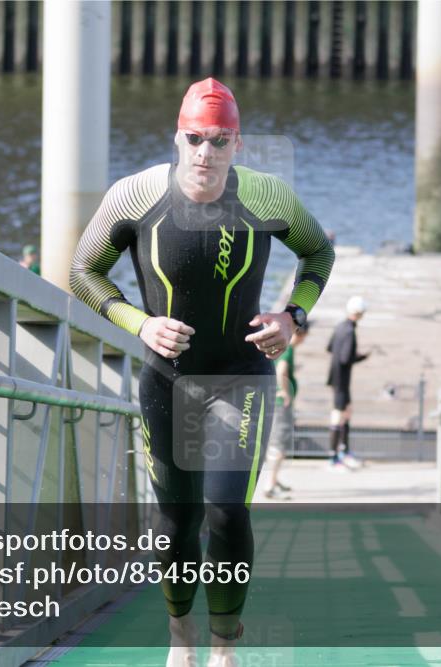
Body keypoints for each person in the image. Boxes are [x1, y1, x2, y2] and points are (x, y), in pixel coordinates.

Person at [69, 78, 334, 667]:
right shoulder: (133, 196)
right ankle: (179, 637)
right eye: (194, 138)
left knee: (227, 508)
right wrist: (138, 324)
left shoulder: (269, 197)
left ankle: (223, 646)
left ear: (237, 144)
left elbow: (318, 254)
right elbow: (84, 272)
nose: (205, 152)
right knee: (176, 519)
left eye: (219, 140)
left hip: (242, 376)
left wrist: (293, 316)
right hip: (166, 379)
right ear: (177, 138)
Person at [261, 323, 309, 499]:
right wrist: (286, 392)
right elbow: (281, 371)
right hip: (281, 404)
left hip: (276, 401)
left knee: (277, 443)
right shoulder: (288, 348)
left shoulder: (283, 348)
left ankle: (274, 480)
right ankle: (270, 484)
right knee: (279, 443)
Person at [326, 296, 370, 471]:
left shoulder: (339, 326)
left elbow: (329, 348)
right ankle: (333, 458)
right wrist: (361, 356)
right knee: (338, 415)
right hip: (342, 379)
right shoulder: (350, 331)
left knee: (347, 411)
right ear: (360, 313)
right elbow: (346, 358)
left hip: (335, 376)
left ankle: (344, 451)